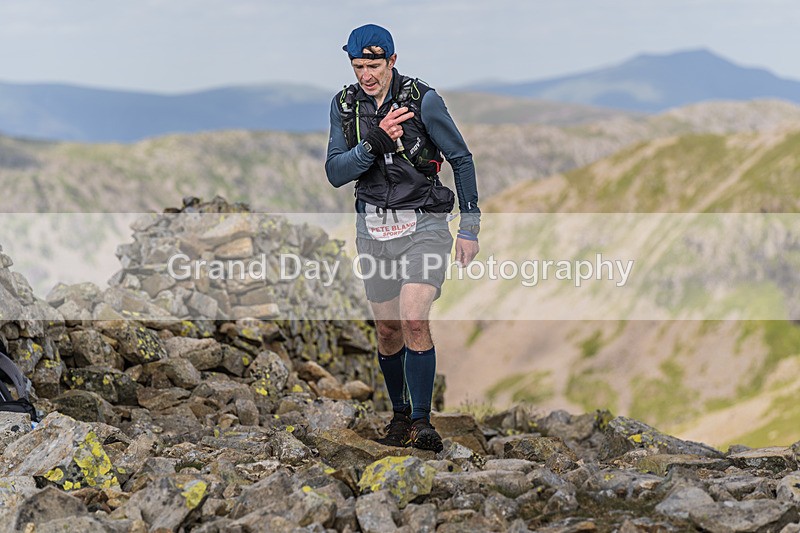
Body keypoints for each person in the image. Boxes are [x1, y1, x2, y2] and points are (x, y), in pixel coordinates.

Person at [325, 24, 480, 452]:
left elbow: (461, 159)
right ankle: (397, 417)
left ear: (392, 61)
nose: (366, 75)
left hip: (425, 223)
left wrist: (469, 226)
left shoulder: (423, 100)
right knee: (388, 329)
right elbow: (336, 172)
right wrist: (373, 142)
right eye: (358, 66)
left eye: (374, 65)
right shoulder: (344, 105)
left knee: (414, 318)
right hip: (372, 228)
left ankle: (422, 421)